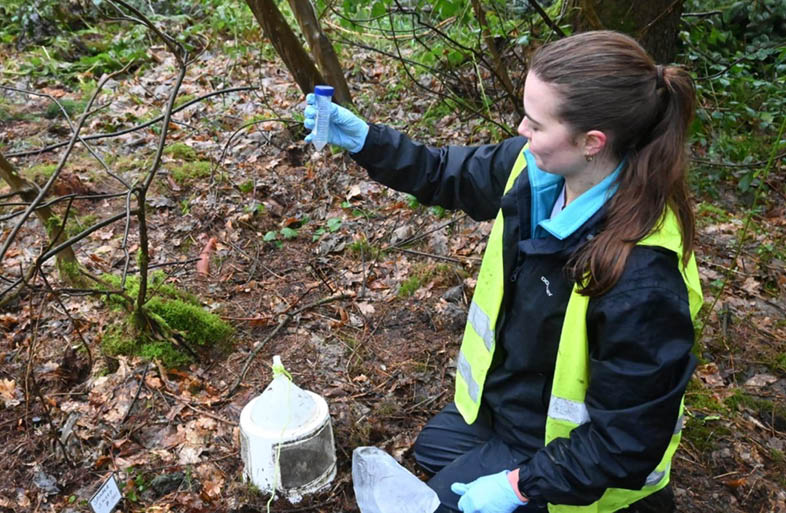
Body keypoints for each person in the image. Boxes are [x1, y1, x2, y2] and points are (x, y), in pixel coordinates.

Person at [303, 30, 703, 513]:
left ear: (592, 141)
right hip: (514, 402)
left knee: (443, 504)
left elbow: (627, 441)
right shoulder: (537, 170)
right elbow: (441, 174)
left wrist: (519, 486)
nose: (519, 129)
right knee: (433, 449)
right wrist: (367, 140)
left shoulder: (640, 275)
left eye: (536, 124)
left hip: (575, 454)